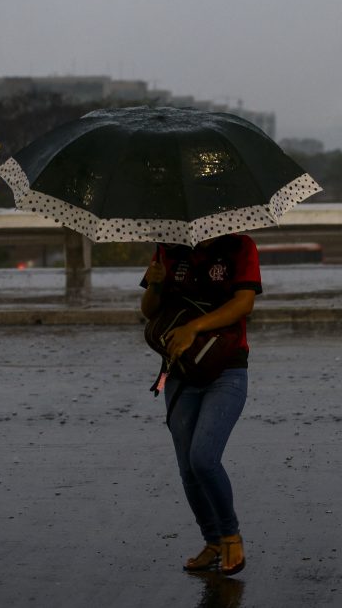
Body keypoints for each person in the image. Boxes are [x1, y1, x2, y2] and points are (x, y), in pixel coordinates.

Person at [140, 233, 262, 576]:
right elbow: (150, 312)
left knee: (204, 459)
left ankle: (230, 535)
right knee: (187, 469)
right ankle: (212, 542)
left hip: (227, 369)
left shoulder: (240, 246)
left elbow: (244, 303)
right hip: (180, 371)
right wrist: (154, 286)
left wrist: (194, 327)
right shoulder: (169, 247)